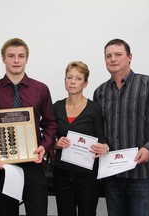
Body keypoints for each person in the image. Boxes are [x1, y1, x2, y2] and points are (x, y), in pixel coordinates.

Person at [93, 38, 149, 216]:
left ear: (129, 57)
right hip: (112, 177)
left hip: (142, 175)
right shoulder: (100, 92)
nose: (113, 59)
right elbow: (98, 129)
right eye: (108, 56)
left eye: (118, 54)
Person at [0, 38, 57, 216]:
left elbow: (51, 124)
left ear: (26, 59)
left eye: (21, 56)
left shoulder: (41, 89)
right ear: (3, 59)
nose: (16, 60)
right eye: (11, 56)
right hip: (3, 166)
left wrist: (44, 147)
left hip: (34, 164)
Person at [53, 61, 108, 216]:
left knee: (87, 213)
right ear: (64, 81)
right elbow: (49, 137)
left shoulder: (94, 108)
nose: (72, 81)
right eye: (69, 77)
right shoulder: (56, 107)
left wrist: (104, 147)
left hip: (87, 175)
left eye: (78, 78)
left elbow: (102, 138)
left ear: (85, 83)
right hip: (62, 173)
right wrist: (56, 144)